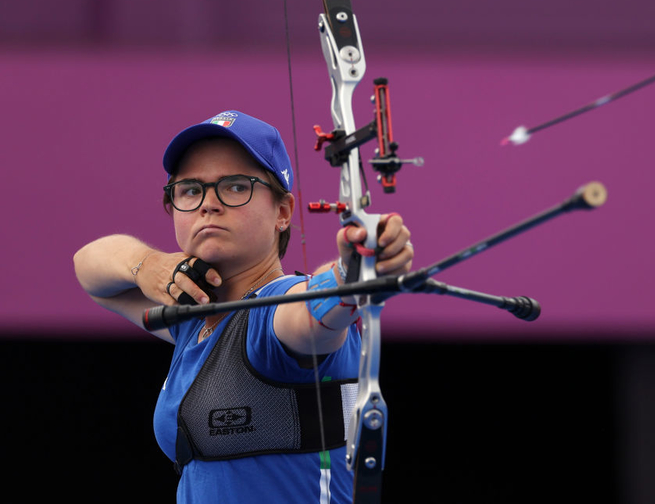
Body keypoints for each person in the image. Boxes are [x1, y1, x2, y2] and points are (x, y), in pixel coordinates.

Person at [73, 110, 413, 503]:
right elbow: (90, 271)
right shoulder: (192, 317)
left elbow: (313, 312)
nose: (208, 204)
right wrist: (147, 265)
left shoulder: (276, 312)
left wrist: (350, 274)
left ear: (283, 212)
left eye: (235, 187)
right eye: (189, 190)